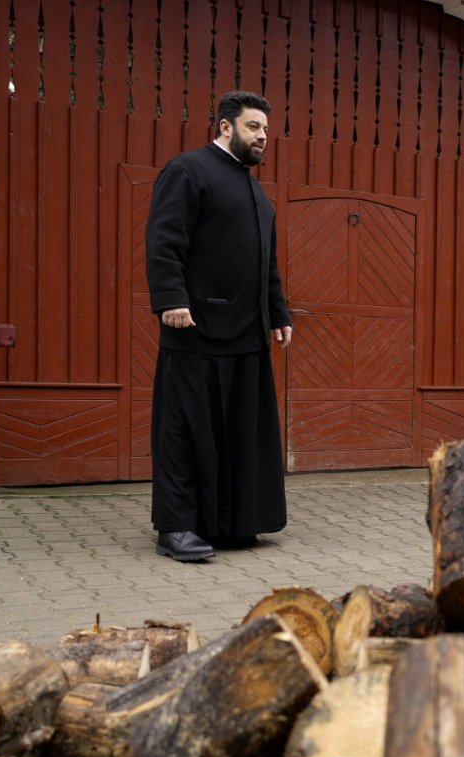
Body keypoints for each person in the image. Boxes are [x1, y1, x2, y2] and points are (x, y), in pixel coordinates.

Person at [145, 90, 294, 561]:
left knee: (239, 433)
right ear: (226, 127)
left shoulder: (256, 192)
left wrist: (279, 313)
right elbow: (164, 239)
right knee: (185, 431)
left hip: (247, 335)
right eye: (253, 127)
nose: (262, 136)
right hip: (195, 327)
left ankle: (229, 524)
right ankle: (176, 527)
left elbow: (266, 262)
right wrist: (170, 298)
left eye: (266, 130)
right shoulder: (188, 170)